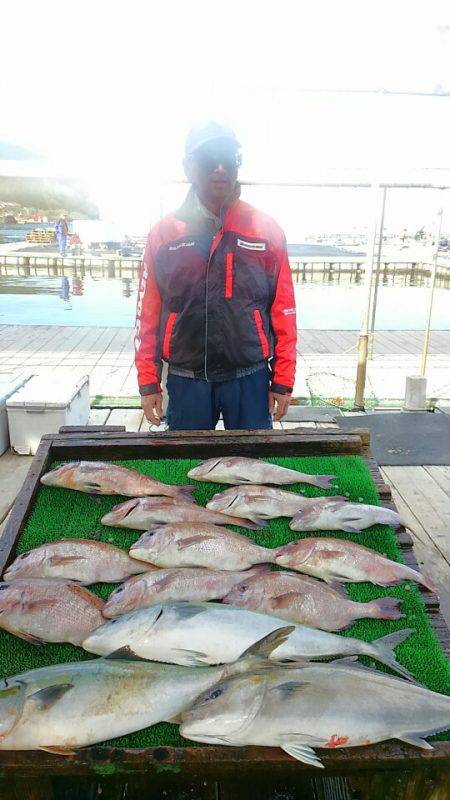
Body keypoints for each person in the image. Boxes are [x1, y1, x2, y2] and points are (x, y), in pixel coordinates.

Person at [135, 121, 297, 431]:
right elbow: (147, 316)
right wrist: (148, 382)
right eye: (209, 158)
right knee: (187, 471)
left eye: (229, 157)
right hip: (186, 380)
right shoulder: (164, 234)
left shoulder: (266, 229)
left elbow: (284, 310)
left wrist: (283, 379)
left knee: (254, 468)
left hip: (250, 379)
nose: (220, 167)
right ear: (188, 167)